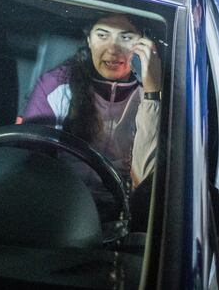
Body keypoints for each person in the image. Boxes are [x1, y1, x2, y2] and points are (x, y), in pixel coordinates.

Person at [19, 13, 162, 220]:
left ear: (145, 44)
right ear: (88, 40)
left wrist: (151, 96)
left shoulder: (155, 95)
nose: (113, 49)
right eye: (102, 35)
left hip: (124, 218)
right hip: (59, 209)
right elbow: (30, 161)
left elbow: (146, 184)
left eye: (126, 37)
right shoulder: (56, 85)